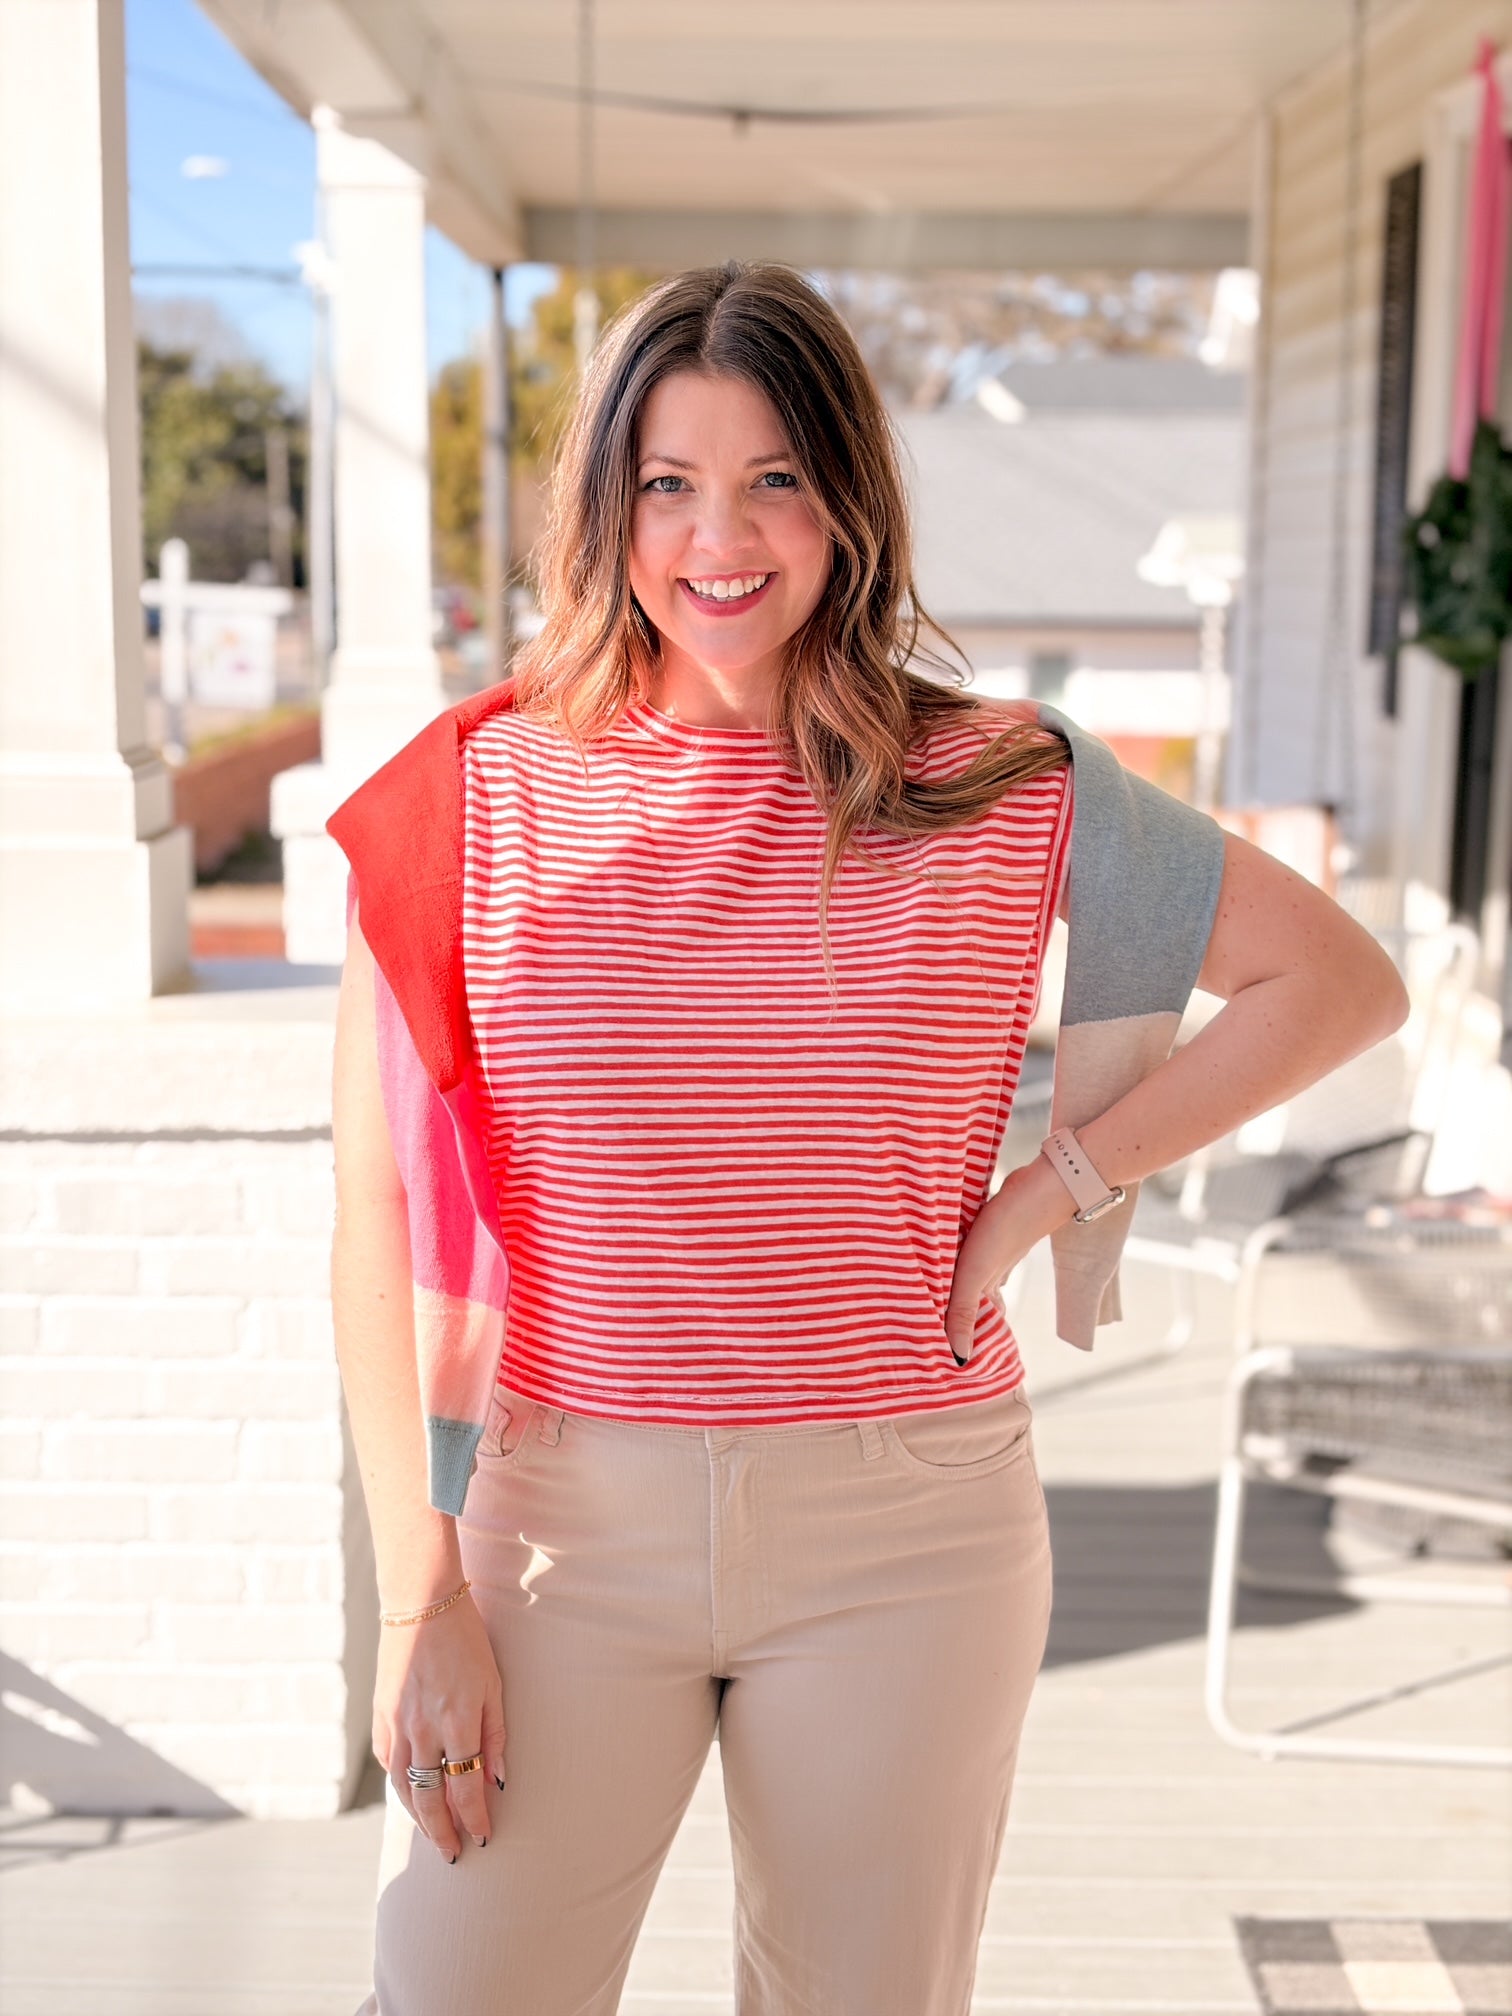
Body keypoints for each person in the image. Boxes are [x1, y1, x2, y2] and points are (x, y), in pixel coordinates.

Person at [330, 262, 1408, 2015]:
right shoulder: (470, 793)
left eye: (774, 479)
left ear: (849, 505)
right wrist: (416, 1596)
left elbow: (1335, 984)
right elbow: (377, 1206)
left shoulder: (999, 783)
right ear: (608, 510)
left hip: (906, 1528)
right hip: (555, 1524)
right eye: (668, 483)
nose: (718, 537)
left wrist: (1051, 1193)